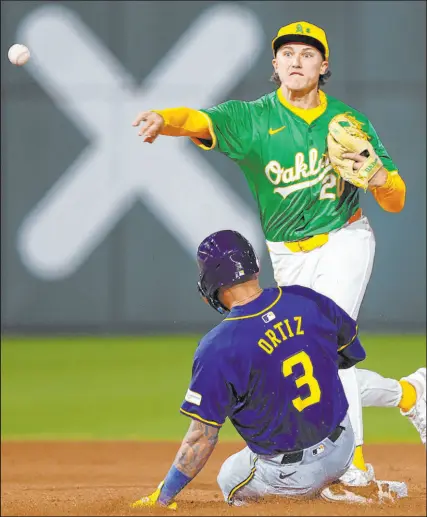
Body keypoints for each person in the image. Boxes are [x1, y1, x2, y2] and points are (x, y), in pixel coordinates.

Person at [132, 21, 425, 485]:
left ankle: (354, 469)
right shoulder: (251, 120)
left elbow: (397, 199)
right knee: (296, 357)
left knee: (325, 352)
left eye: (307, 54)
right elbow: (198, 120)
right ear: (275, 64)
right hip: (287, 253)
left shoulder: (347, 123)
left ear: (323, 65)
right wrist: (162, 120)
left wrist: (379, 180)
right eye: (286, 53)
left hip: (343, 239)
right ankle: (410, 394)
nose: (295, 60)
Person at [131, 230, 408, 510]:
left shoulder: (217, 346)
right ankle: (335, 485)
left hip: (292, 476)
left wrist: (164, 496)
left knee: (229, 477)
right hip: (344, 445)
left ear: (210, 282)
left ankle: (311, 498)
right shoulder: (307, 299)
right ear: (254, 266)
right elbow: (348, 356)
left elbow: (202, 436)